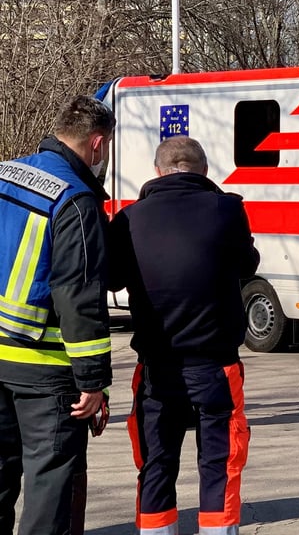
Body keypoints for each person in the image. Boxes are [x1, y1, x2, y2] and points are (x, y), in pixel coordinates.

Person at [108, 136, 259, 535]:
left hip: (155, 366)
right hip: (215, 365)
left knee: (155, 461)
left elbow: (111, 278)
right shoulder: (227, 209)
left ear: (158, 171)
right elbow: (248, 264)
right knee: (220, 461)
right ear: (204, 170)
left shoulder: (129, 218)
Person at [0, 95, 114, 535]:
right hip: (43, 369)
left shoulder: (5, 172)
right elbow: (78, 296)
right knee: (49, 484)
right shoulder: (75, 199)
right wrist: (93, 381)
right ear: (97, 144)